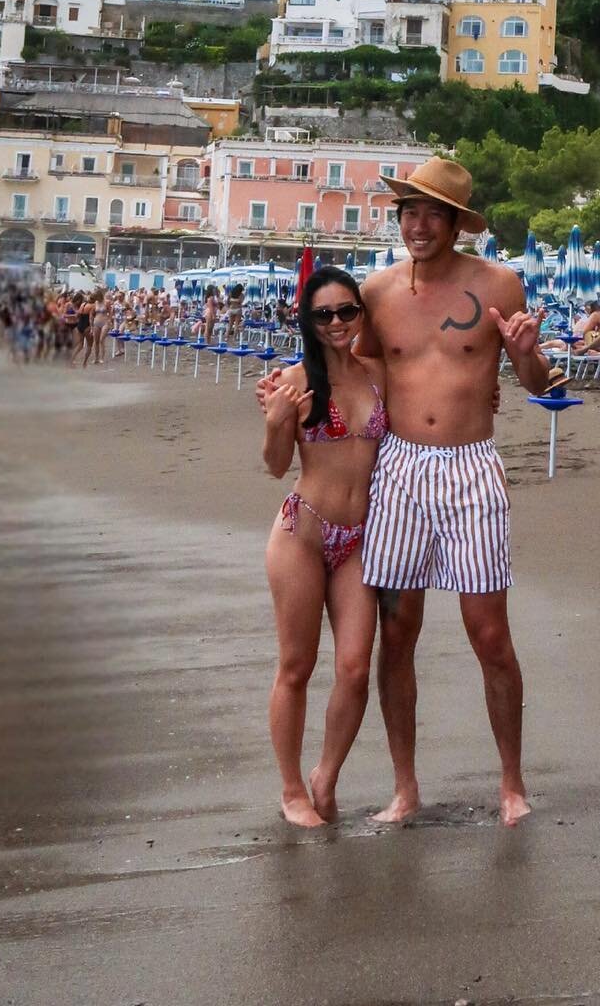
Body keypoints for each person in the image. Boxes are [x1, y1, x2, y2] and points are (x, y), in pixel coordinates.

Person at [356, 157, 556, 827]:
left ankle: (512, 784)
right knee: (397, 628)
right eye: (408, 211)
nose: (417, 224)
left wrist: (526, 352)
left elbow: (537, 383)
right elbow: (354, 375)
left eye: (431, 213)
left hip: (471, 468)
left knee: (490, 635)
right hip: (400, 468)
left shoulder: (500, 283)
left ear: (455, 223)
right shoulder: (376, 292)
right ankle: (404, 786)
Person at [257, 267, 388, 826]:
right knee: (297, 665)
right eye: (323, 314)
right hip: (303, 535)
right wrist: (276, 422)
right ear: (307, 321)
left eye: (347, 311)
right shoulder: (293, 381)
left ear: (361, 313)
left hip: (359, 540)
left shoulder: (380, 373)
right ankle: (291, 791)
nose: (337, 323)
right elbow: (274, 465)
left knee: (355, 668)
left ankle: (325, 775)